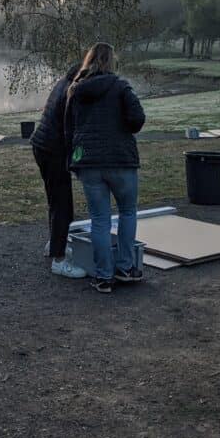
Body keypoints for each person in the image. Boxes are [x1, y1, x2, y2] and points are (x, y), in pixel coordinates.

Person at [65, 42, 146, 294]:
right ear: (111, 61)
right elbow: (137, 119)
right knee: (127, 212)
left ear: (89, 61)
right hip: (121, 160)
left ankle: (103, 277)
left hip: (89, 163)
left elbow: (69, 127)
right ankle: (125, 267)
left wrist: (74, 157)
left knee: (99, 220)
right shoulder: (121, 86)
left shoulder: (76, 90)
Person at [30, 63, 86, 278]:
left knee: (56, 201)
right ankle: (59, 260)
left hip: (42, 147)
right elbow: (72, 130)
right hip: (52, 151)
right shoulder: (72, 91)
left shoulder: (63, 83)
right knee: (63, 204)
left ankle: (55, 245)